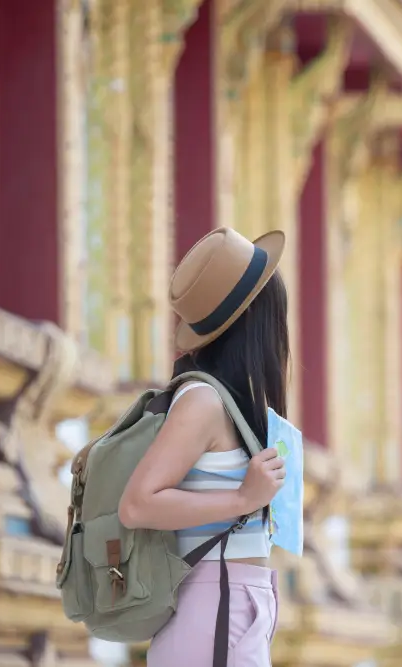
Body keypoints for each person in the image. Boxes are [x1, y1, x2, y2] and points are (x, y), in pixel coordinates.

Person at [118, 227, 289, 667]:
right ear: (257, 323)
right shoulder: (203, 401)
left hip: (235, 603)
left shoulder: (227, 404)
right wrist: (241, 498)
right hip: (214, 604)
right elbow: (137, 504)